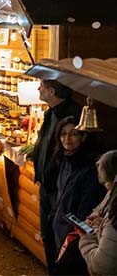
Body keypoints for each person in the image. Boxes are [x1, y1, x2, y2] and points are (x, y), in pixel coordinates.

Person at [31, 79, 81, 269]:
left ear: (51, 91)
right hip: (46, 184)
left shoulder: (72, 115)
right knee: (47, 234)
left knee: (60, 234)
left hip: (60, 187)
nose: (38, 89)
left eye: (42, 86)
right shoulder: (51, 113)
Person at [51, 117, 105, 257]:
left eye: (74, 134)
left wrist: (74, 235)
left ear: (83, 137)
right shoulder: (65, 160)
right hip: (60, 230)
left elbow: (86, 210)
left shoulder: (90, 170)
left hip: (74, 237)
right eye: (63, 133)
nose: (67, 138)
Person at [79, 150, 117, 276]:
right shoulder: (112, 194)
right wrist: (100, 226)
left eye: (106, 183)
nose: (106, 187)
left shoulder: (115, 212)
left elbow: (100, 266)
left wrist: (86, 236)